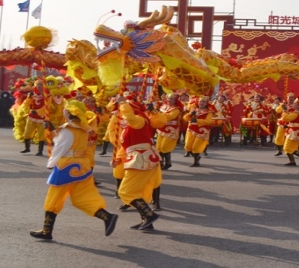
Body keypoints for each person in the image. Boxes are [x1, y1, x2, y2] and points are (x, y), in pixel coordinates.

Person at [29, 100, 118, 241]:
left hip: (67, 165)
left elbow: (61, 147)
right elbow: (69, 143)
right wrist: (52, 130)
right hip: (82, 165)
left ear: (69, 112)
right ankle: (107, 217)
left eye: (65, 109)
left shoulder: (67, 129)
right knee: (81, 198)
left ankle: (47, 231)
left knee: (54, 197)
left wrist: (51, 163)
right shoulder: (83, 128)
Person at [115, 94, 164, 230]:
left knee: (125, 191)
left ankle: (149, 215)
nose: (122, 113)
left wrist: (123, 102)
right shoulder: (132, 125)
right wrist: (118, 158)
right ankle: (147, 221)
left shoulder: (139, 120)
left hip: (141, 159)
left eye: (124, 109)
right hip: (138, 159)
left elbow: (130, 117)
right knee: (135, 191)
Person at [155, 93, 183, 170]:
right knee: (158, 147)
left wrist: (159, 113)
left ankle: (164, 163)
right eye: (169, 98)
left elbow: (170, 117)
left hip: (171, 130)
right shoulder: (164, 106)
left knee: (164, 147)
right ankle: (164, 163)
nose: (170, 100)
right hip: (162, 128)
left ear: (175, 101)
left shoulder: (176, 109)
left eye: (172, 99)